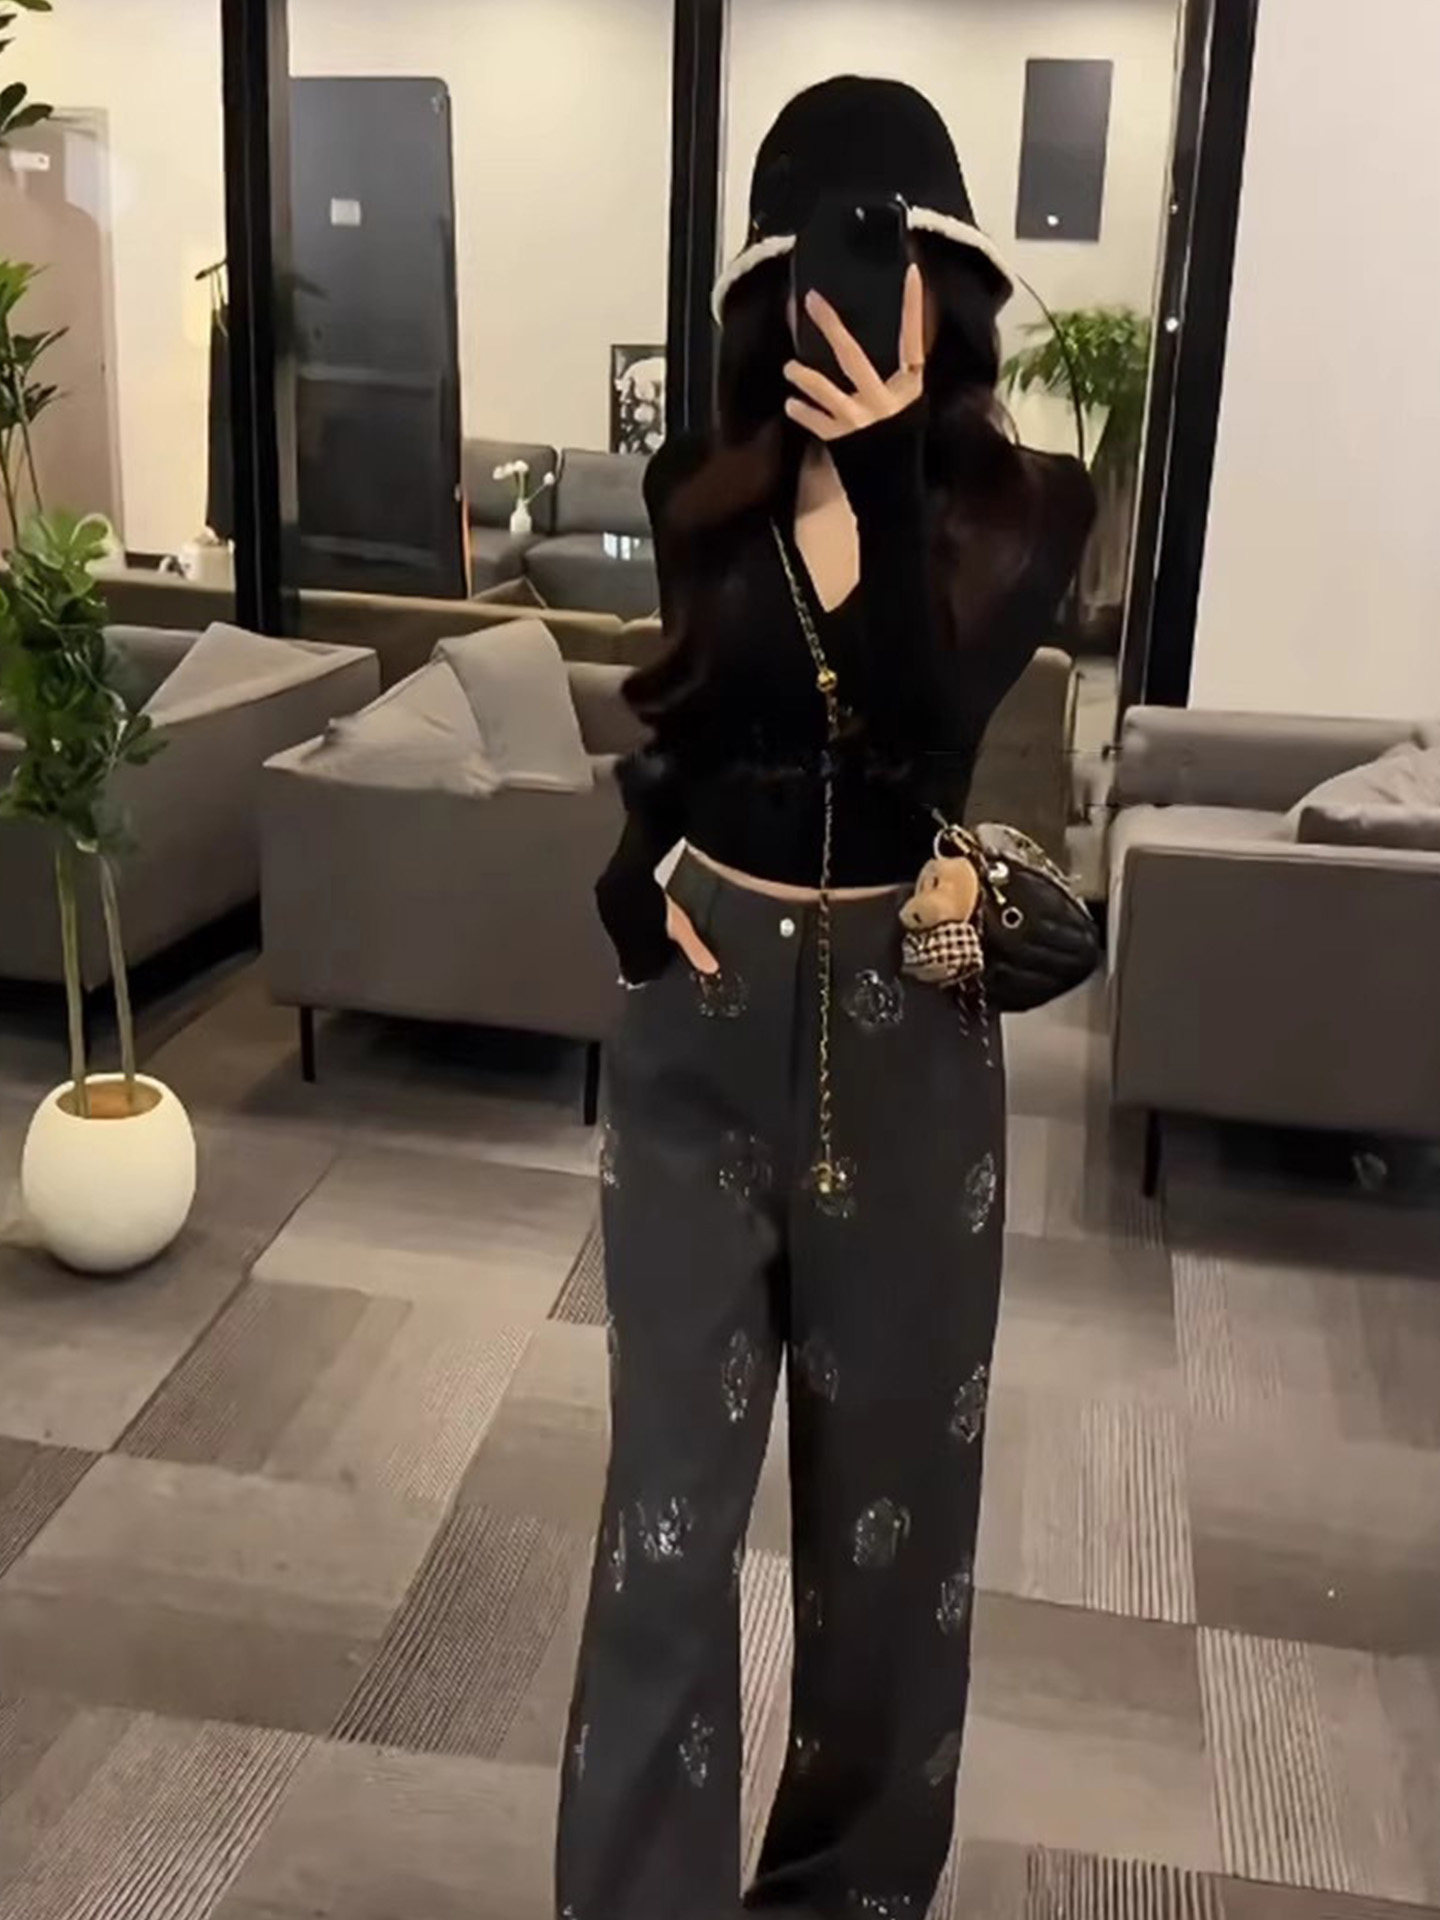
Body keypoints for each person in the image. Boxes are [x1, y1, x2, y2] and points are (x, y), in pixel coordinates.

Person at [558, 77, 1095, 1920]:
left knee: (893, 1542)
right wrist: (635, 880)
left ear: (954, 279)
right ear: (765, 289)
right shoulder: (698, 493)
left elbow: (927, 727)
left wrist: (877, 474)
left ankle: (846, 1895)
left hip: (907, 1031)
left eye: (897, 253)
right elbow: (695, 730)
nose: (859, 295)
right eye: (823, 259)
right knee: (662, 1527)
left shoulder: (1028, 510)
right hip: (699, 1036)